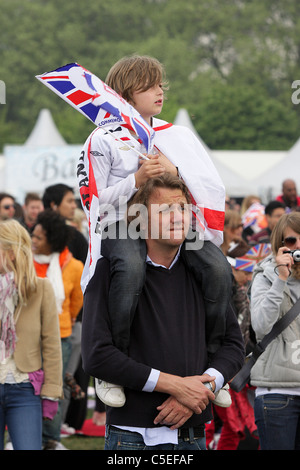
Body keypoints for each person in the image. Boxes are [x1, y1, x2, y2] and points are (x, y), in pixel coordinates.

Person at [78, 54, 232, 408]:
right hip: (125, 226)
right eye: (148, 86)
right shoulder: (101, 140)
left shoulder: (176, 135)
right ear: (126, 93)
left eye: (160, 83)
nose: (159, 91)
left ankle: (212, 366)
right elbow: (94, 203)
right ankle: (111, 366)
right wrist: (136, 180)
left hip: (176, 225)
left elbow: (208, 188)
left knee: (219, 270)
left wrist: (175, 171)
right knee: (130, 270)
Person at [81, 173, 245, 450]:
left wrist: (204, 388)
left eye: (182, 208)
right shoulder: (110, 273)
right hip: (131, 437)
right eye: (165, 210)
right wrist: (176, 386)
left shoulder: (204, 274)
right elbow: (97, 356)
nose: (177, 217)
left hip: (192, 433)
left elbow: (232, 345)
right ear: (140, 220)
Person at [0, 219, 63, 450]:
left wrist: (51, 393)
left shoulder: (41, 288)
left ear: (12, 253)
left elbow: (52, 345)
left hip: (24, 389)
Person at [31, 209, 84, 450]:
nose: (33, 240)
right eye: (33, 235)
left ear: (52, 240)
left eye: (39, 237)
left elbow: (76, 302)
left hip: (60, 336)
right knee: (27, 388)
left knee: (54, 388)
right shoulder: (24, 262)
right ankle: (27, 436)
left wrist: (68, 319)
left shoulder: (74, 266)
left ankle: (51, 440)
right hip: (28, 338)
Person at [250, 211, 300, 450]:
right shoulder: (266, 275)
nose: (298, 246)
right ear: (280, 244)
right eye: (291, 241)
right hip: (277, 392)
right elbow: (260, 326)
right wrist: (281, 278)